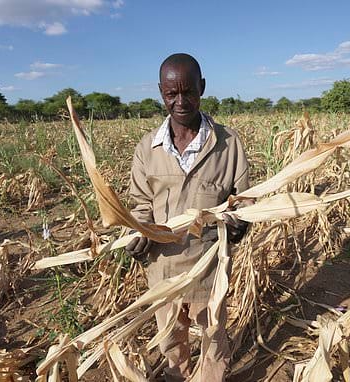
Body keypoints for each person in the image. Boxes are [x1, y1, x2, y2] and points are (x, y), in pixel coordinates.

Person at [125, 53, 250, 381]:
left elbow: (243, 202)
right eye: (171, 94)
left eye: (189, 92)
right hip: (162, 269)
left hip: (208, 269)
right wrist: (136, 234)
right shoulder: (146, 149)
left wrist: (240, 223)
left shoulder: (229, 144)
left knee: (213, 335)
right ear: (161, 93)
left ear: (202, 88)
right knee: (170, 339)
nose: (180, 101)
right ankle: (177, 376)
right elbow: (140, 205)